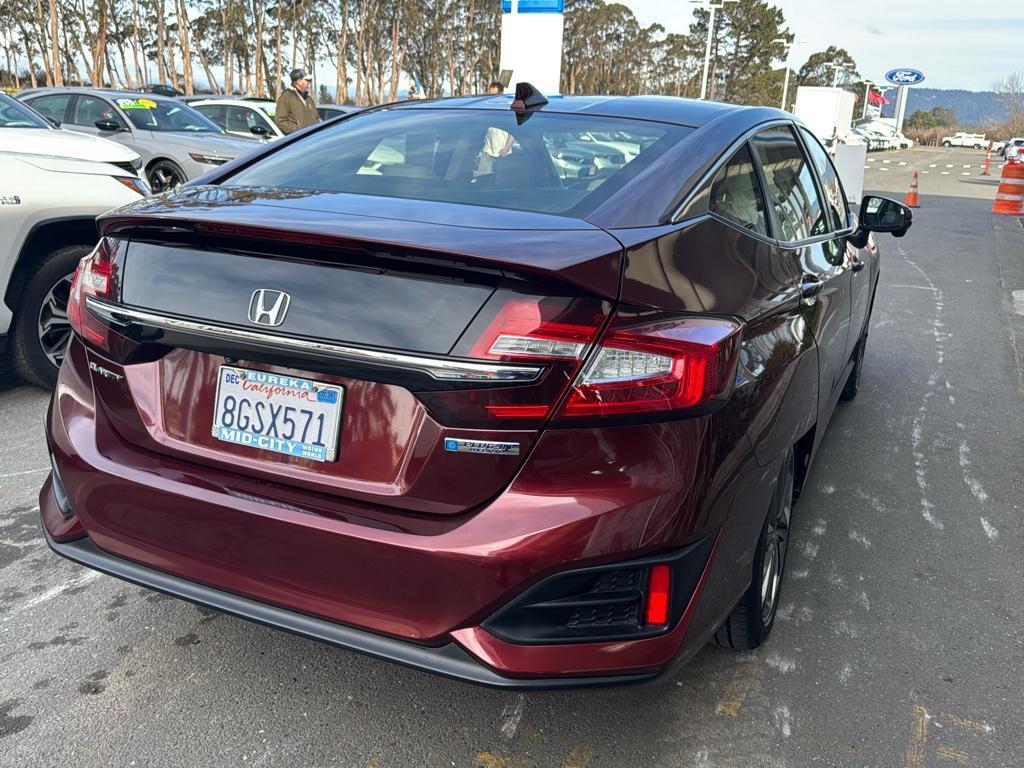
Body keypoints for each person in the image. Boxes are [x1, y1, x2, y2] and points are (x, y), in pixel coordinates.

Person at [476, 81, 514, 176]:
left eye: (494, 95)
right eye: (490, 94)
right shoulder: (487, 110)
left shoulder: (508, 110)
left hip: (504, 154)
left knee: (501, 181)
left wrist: (507, 147)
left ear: (501, 94)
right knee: (482, 179)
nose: (491, 97)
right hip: (487, 151)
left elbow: (513, 131)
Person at [275, 68, 320, 135]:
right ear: (299, 81)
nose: (308, 83)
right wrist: (299, 131)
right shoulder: (286, 98)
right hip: (298, 141)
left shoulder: (309, 99)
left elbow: (316, 118)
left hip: (313, 139)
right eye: (307, 80)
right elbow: (281, 122)